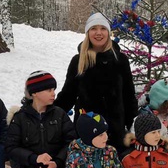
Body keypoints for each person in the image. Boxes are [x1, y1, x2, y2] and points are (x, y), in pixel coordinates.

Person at [55, 12, 138, 154]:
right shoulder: (78, 61)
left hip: (115, 132)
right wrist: (46, 113)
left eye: (103, 28)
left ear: (108, 32)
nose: (98, 33)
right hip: (87, 130)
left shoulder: (120, 60)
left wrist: (133, 128)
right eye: (94, 29)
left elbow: (129, 96)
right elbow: (67, 95)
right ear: (88, 33)